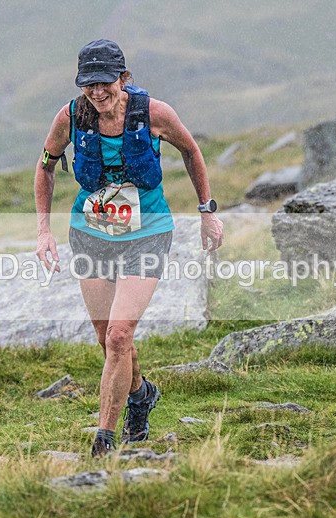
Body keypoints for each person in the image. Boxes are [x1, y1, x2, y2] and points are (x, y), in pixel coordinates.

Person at [34, 39, 223, 457]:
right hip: (91, 234)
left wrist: (207, 211)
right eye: (88, 85)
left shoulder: (155, 113)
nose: (97, 93)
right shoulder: (69, 117)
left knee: (121, 335)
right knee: (106, 338)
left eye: (105, 84)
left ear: (124, 78)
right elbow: (46, 166)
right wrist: (44, 229)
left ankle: (104, 439)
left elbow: (191, 152)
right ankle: (140, 394)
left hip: (147, 233)